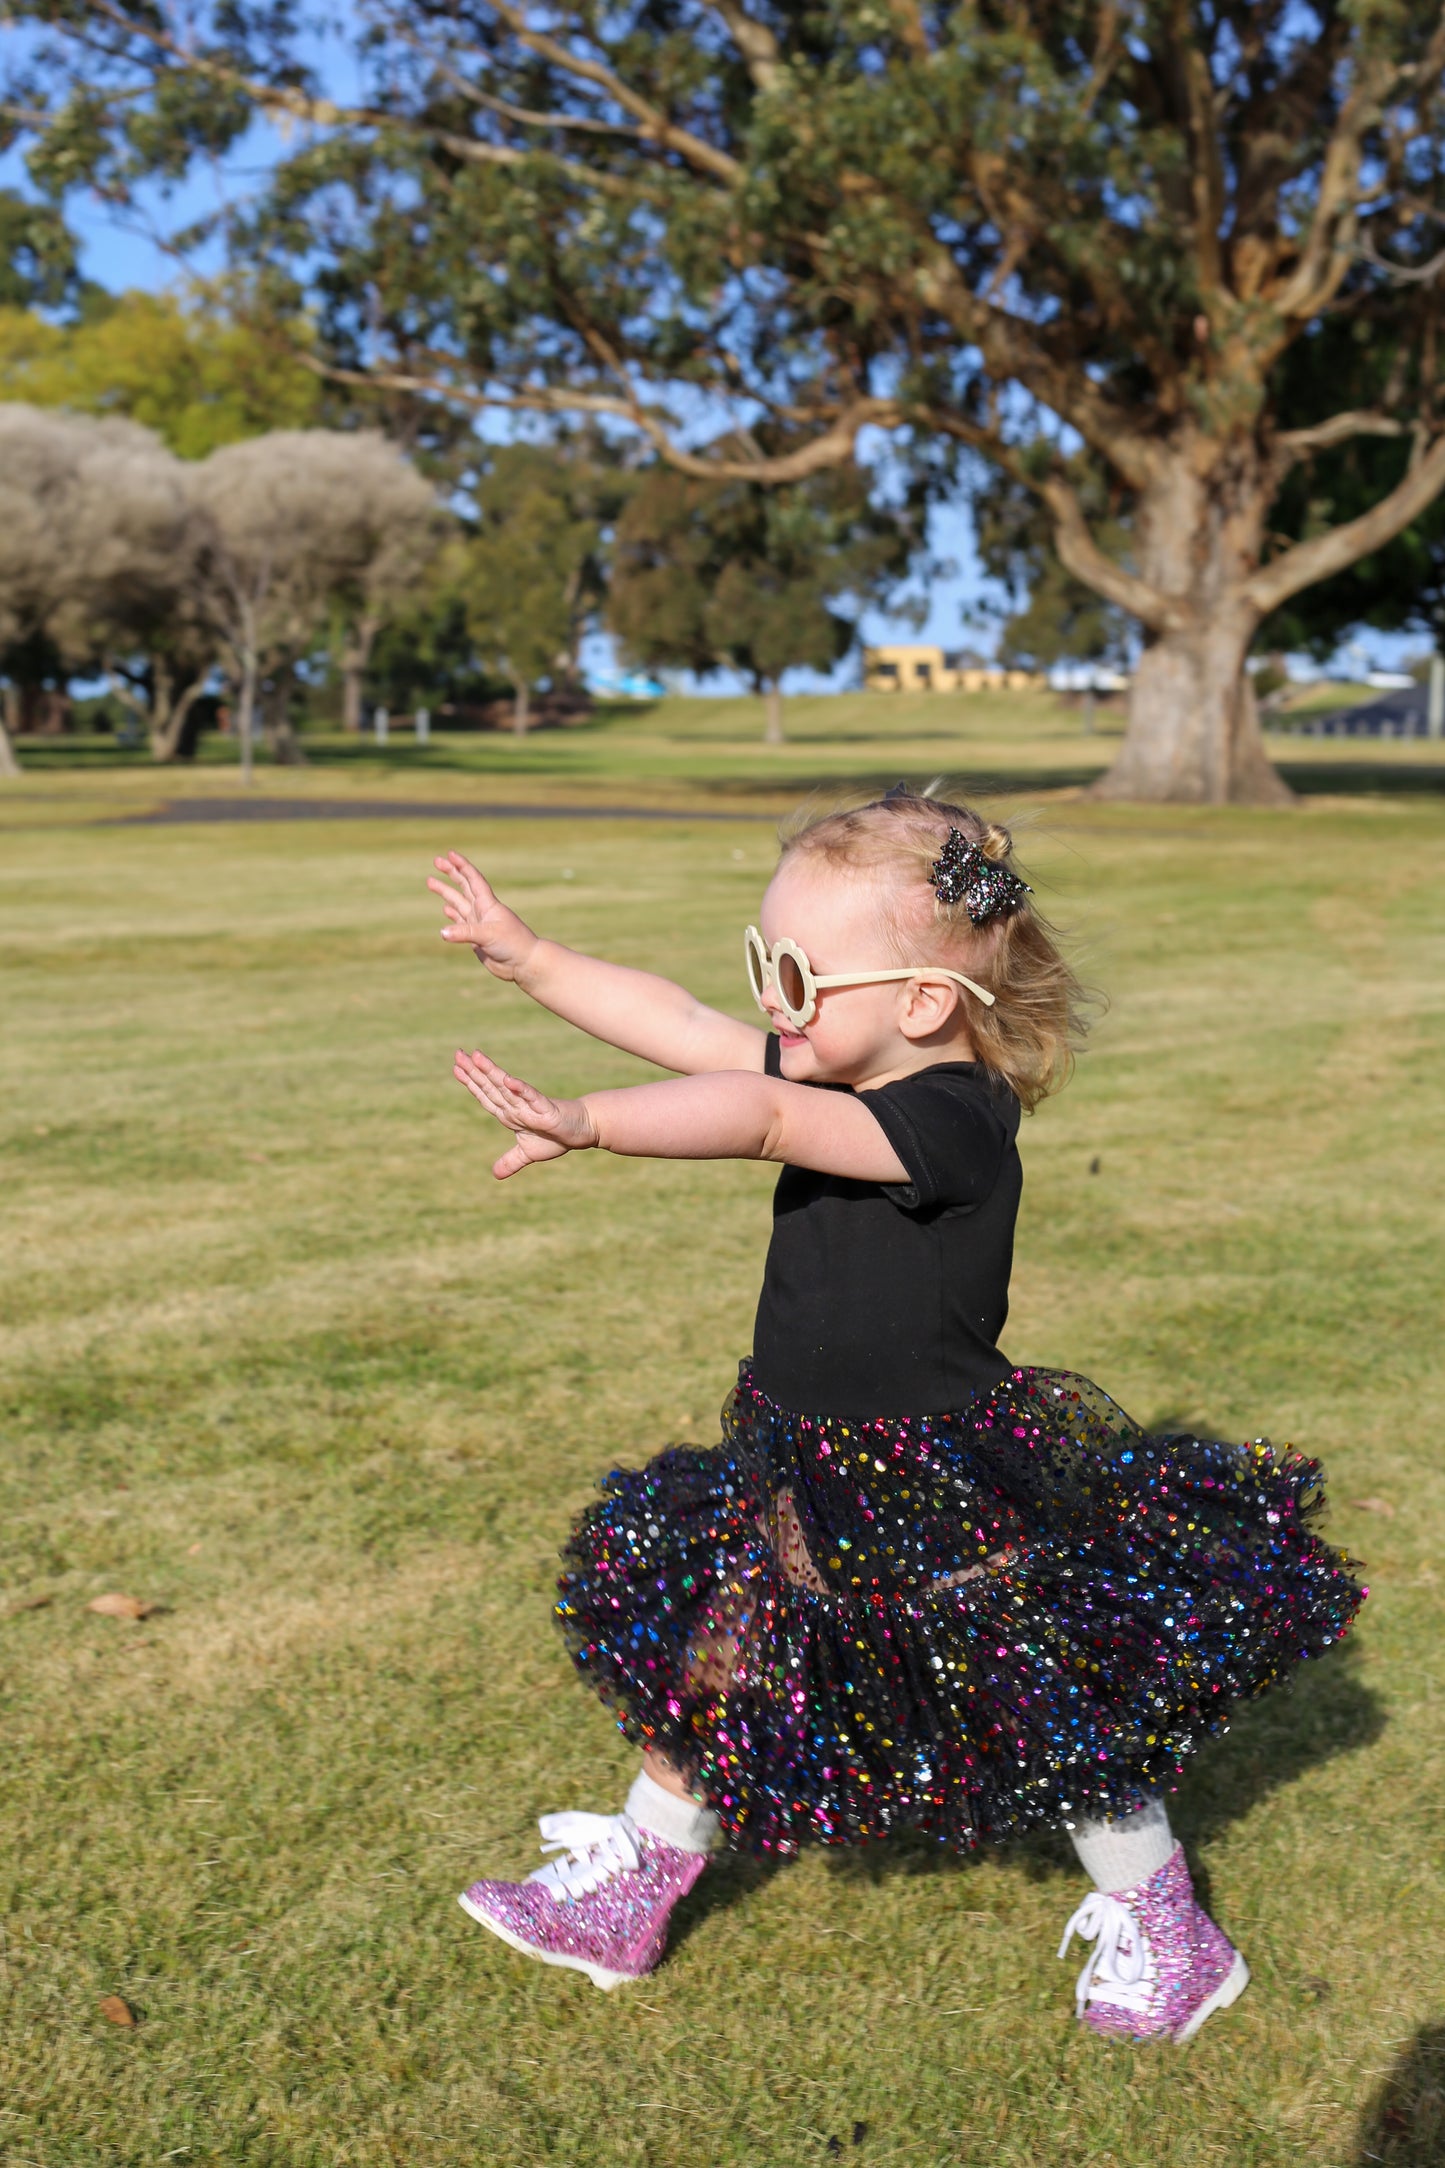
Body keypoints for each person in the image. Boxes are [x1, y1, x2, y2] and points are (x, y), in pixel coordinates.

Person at [428, 787, 1364, 2044]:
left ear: (923, 1003)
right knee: (728, 1636)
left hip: (932, 1471)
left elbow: (757, 1114)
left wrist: (590, 1122)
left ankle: (1166, 1925)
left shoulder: (949, 1121)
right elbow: (687, 1026)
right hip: (799, 1445)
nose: (769, 997)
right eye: (764, 961)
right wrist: (532, 957)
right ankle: (637, 1882)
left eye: (798, 974)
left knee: (1040, 1693)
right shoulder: (842, 1051)